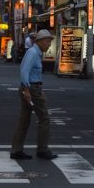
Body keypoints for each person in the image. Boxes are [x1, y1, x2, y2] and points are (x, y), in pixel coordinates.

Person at [10, 27, 57, 160]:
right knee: (44, 118)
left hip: (31, 88)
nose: (49, 44)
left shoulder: (35, 52)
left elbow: (26, 71)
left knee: (24, 120)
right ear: (41, 41)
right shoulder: (33, 53)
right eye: (48, 42)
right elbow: (24, 71)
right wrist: (26, 90)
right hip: (31, 89)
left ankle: (17, 150)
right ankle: (42, 149)